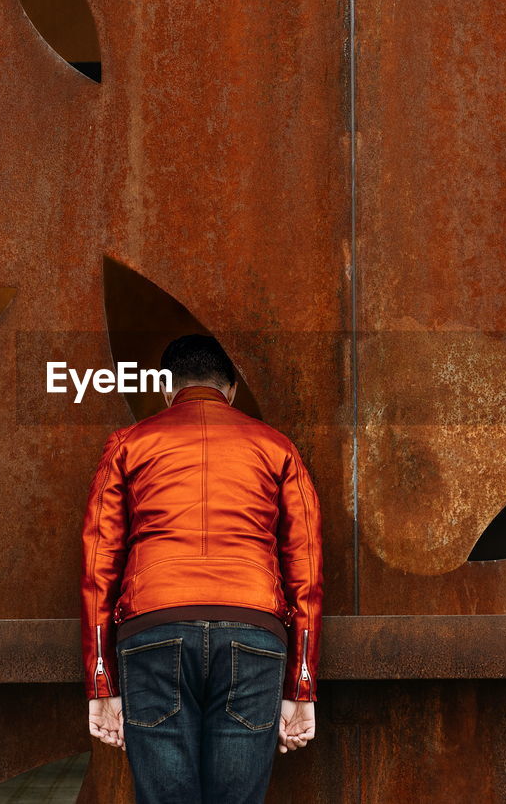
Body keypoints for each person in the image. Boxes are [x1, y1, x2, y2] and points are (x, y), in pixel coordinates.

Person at [80, 333, 324, 804]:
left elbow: (98, 564)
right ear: (230, 389)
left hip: (153, 630)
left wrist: (100, 681)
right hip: (253, 633)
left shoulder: (128, 445)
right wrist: (301, 684)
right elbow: (306, 568)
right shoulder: (278, 448)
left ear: (165, 390)